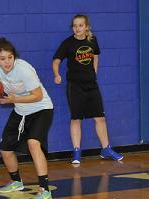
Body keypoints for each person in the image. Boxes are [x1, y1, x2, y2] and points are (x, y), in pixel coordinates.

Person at [0, 38, 54, 199]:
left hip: (41, 109)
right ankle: (16, 182)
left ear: (14, 57)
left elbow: (37, 96)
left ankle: (45, 190)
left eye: (10, 57)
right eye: (2, 59)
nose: (7, 62)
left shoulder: (23, 69)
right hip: (20, 111)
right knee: (5, 149)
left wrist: (12, 99)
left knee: (33, 143)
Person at [52, 14, 123, 164]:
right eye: (75, 25)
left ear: (86, 27)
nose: (77, 28)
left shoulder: (92, 40)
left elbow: (95, 56)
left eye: (80, 25)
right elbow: (56, 60)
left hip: (91, 84)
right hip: (75, 85)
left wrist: (94, 72)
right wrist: (56, 74)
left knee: (100, 118)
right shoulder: (68, 43)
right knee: (76, 119)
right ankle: (77, 151)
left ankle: (106, 148)